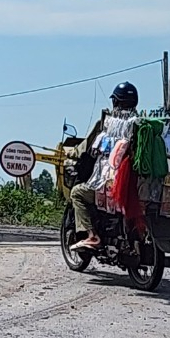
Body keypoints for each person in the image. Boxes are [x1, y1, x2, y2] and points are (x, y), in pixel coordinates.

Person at [69, 81, 138, 252]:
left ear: (115, 102)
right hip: (138, 188)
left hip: (111, 186)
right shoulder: (141, 124)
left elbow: (87, 146)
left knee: (77, 193)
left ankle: (92, 236)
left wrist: (73, 154)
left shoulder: (107, 123)